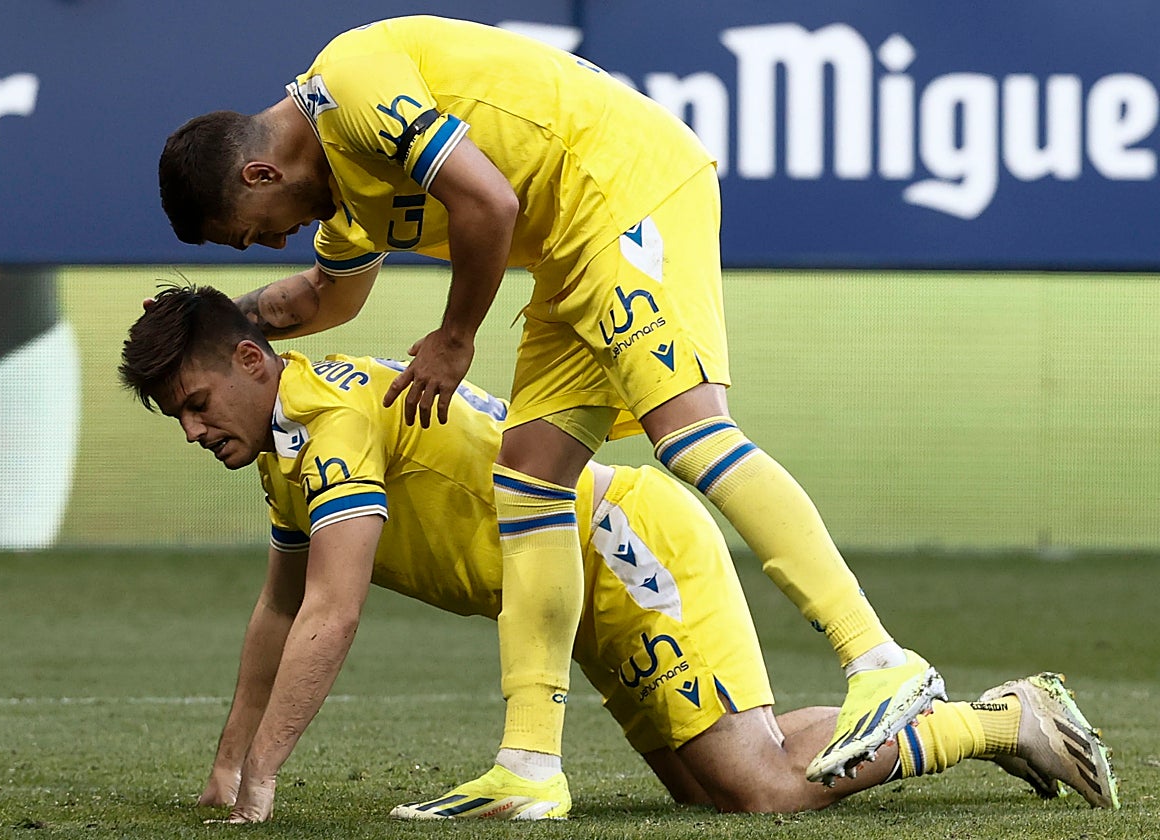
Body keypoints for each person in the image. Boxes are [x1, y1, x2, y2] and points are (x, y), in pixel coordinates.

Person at [156, 15, 944, 811]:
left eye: (247, 238)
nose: (267, 246)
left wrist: (455, 338)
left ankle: (878, 659)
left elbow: (488, 203)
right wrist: (220, 330)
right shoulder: (344, 197)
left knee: (694, 437)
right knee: (529, 482)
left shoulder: (351, 84)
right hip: (566, 251)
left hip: (624, 191)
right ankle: (530, 767)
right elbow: (329, 296)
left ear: (258, 174)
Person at [118, 286, 1120, 822]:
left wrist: (266, 776)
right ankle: (982, 720)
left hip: (619, 549)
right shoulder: (288, 432)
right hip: (577, 587)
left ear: (253, 360)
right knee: (714, 785)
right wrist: (228, 761)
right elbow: (282, 609)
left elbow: (333, 612)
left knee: (759, 788)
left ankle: (999, 723)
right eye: (179, 419)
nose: (194, 431)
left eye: (198, 405)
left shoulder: (327, 422)